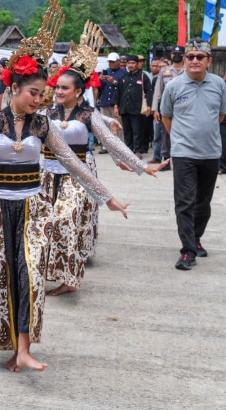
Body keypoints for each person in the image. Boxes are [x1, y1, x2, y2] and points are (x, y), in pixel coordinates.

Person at [0, 0, 129, 372]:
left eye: (43, 94)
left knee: (30, 274)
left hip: (32, 209)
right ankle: (10, 345)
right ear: (15, 89)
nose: (40, 99)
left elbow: (74, 163)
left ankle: (24, 347)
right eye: (34, 93)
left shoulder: (44, 126)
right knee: (3, 275)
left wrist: (106, 197)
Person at [42, 23, 165, 295]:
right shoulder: (46, 113)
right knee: (45, 226)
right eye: (57, 87)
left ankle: (70, 279)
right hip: (46, 177)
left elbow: (111, 143)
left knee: (67, 223)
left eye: (64, 88)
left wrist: (142, 166)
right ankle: (49, 271)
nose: (59, 92)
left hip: (77, 179)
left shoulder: (87, 115)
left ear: (78, 91)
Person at [160, 38, 226, 270]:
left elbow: (220, 115)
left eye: (200, 57)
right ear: (185, 60)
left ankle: (196, 238)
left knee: (203, 203)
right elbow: (166, 118)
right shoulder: (174, 86)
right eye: (191, 57)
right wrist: (181, 139)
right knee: (185, 202)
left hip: (210, 153)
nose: (195, 60)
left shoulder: (219, 84)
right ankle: (188, 250)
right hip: (183, 154)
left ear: (209, 60)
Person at [153, 46, 185, 165]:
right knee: (165, 133)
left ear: (184, 56)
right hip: (167, 107)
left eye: (179, 53)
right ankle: (165, 158)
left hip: (184, 106)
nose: (176, 55)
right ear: (171, 55)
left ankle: (181, 157)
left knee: (183, 133)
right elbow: (158, 91)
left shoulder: (188, 70)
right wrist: (155, 109)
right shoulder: (165, 71)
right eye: (174, 53)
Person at [114, 55, 151, 156]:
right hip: (125, 109)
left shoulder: (143, 77)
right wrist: (116, 106)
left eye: (133, 63)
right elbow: (118, 93)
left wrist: (149, 106)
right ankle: (129, 151)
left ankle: (137, 151)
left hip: (137, 109)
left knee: (137, 130)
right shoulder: (123, 78)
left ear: (137, 64)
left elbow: (149, 92)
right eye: (129, 63)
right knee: (127, 131)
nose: (130, 65)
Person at [98, 53, 126, 148]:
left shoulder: (123, 73)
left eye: (113, 62)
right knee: (105, 125)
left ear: (118, 61)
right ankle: (107, 146)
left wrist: (114, 82)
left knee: (118, 124)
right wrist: (100, 81)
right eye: (110, 62)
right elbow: (99, 88)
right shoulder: (106, 72)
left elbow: (124, 87)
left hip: (116, 103)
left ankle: (120, 144)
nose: (111, 64)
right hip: (105, 101)